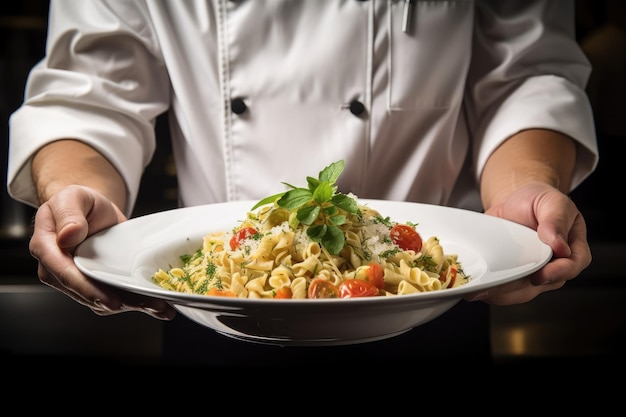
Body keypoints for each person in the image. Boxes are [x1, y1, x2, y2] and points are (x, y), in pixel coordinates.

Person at [6, 0, 597, 368]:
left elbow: (526, 74)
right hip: (214, 315)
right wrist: (78, 191)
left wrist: (526, 189)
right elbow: (92, 92)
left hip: (437, 311)